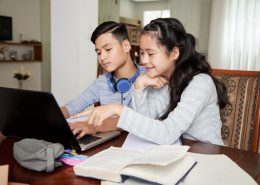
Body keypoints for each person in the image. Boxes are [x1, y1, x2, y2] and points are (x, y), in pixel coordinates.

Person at [72, 18, 229, 145]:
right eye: (141, 53)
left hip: (206, 156)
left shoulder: (200, 83)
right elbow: (145, 126)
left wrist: (117, 109)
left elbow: (167, 133)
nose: (144, 60)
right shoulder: (157, 81)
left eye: (151, 53)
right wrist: (139, 86)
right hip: (175, 153)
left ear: (174, 52)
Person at [61, 21, 144, 139]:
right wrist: (50, 117)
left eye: (108, 49)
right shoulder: (102, 82)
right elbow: (73, 107)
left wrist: (93, 127)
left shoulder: (149, 76)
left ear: (126, 46)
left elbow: (139, 118)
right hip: (112, 145)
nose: (102, 57)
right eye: (98, 52)